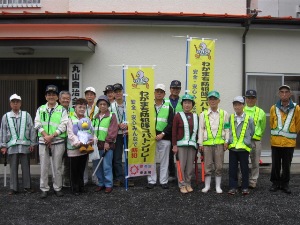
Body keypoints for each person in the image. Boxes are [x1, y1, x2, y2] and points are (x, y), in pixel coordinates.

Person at [34, 85, 68, 199]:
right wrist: (46, 136)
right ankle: (44, 188)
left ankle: (57, 187)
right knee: (44, 166)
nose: (51, 96)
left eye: (53, 94)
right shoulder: (41, 109)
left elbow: (64, 125)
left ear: (57, 97)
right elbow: (37, 124)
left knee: (57, 166)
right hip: (44, 141)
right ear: (45, 96)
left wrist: (51, 136)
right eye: (49, 94)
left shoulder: (62, 110)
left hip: (57, 141)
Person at [0, 94, 36, 195]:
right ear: (10, 104)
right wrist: (3, 146)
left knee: (26, 167)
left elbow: (32, 129)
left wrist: (32, 143)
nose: (15, 103)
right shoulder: (6, 116)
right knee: (13, 167)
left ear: (20, 103)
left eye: (17, 102)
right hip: (12, 146)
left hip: (25, 145)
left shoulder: (26, 115)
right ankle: (13, 188)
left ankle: (27, 186)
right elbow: (3, 131)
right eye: (13, 102)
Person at [269, 85, 300, 194]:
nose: (284, 94)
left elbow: (298, 124)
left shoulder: (296, 108)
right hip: (276, 142)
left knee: (287, 165)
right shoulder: (273, 108)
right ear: (279, 94)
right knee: (276, 164)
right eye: (282, 92)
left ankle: (285, 184)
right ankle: (275, 183)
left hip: (289, 143)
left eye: (286, 92)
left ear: (290, 94)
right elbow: (272, 123)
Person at [198, 91, 229, 194]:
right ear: (208, 101)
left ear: (219, 101)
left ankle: (218, 186)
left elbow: (227, 129)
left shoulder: (224, 114)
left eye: (215, 99)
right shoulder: (203, 114)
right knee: (207, 166)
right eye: (210, 99)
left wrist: (226, 141)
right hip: (207, 144)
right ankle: (207, 186)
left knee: (219, 166)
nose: (212, 101)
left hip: (220, 144)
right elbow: (201, 129)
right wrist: (201, 143)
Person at [147, 84, 174, 189]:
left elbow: (171, 123)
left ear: (164, 94)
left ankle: (163, 181)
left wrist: (162, 134)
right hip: (150, 137)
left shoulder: (169, 107)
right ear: (154, 93)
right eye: (157, 91)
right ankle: (151, 181)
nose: (159, 93)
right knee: (151, 160)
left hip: (165, 137)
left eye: (161, 92)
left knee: (164, 161)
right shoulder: (148, 105)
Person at [227, 96, 254, 196]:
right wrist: (228, 141)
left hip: (244, 148)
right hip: (233, 148)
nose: (237, 106)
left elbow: (253, 131)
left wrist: (246, 141)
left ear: (243, 105)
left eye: (239, 104)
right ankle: (233, 187)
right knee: (232, 169)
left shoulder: (249, 119)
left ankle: (245, 187)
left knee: (244, 168)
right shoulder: (231, 117)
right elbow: (228, 130)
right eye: (235, 105)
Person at [67, 98, 94, 196]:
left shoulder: (87, 119)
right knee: (74, 170)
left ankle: (81, 187)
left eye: (84, 107)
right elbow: (70, 134)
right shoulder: (71, 119)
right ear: (75, 108)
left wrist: (93, 139)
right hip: (74, 149)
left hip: (85, 148)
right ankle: (74, 188)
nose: (82, 109)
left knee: (82, 169)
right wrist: (79, 143)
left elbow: (92, 131)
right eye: (80, 107)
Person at [172, 94, 198, 194]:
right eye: (185, 103)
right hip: (180, 146)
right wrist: (174, 145)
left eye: (189, 103)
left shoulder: (196, 116)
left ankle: (188, 183)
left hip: (192, 146)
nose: (187, 105)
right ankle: (182, 184)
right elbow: (174, 131)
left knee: (189, 166)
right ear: (182, 104)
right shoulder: (178, 116)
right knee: (181, 166)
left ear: (192, 105)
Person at [93, 95, 118, 194]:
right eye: (100, 104)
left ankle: (108, 184)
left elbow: (112, 130)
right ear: (98, 105)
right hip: (96, 145)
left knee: (106, 165)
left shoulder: (112, 115)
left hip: (107, 145)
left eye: (104, 104)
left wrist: (108, 142)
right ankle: (101, 183)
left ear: (107, 105)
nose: (102, 106)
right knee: (97, 165)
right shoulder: (95, 116)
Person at [110, 83, 134, 187]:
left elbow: (135, 118)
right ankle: (119, 178)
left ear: (123, 92)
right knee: (117, 158)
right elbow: (109, 121)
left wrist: (129, 126)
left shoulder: (130, 104)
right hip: (118, 135)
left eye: (120, 91)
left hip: (129, 134)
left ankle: (130, 177)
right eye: (116, 92)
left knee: (130, 156)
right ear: (113, 94)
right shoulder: (111, 106)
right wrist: (118, 124)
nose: (118, 93)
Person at [244, 89, 266, 189]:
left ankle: (253, 181)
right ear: (245, 99)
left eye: (252, 98)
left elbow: (263, 126)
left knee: (255, 162)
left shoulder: (260, 112)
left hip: (256, 141)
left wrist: (257, 135)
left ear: (256, 99)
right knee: (242, 162)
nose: (250, 100)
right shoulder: (241, 110)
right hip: (243, 141)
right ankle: (242, 180)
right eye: (248, 97)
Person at [165, 80, 183, 182]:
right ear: (170, 89)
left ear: (180, 90)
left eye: (177, 88)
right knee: (169, 155)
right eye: (173, 88)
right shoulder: (165, 101)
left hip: (180, 132)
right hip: (168, 131)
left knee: (180, 154)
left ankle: (181, 174)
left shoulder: (183, 101)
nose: (175, 90)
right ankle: (171, 174)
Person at [83, 86, 99, 185]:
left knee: (95, 158)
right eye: (87, 94)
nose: (89, 96)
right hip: (84, 137)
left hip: (95, 137)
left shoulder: (98, 108)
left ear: (94, 96)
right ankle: (84, 180)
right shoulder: (81, 107)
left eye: (91, 94)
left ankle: (95, 179)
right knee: (84, 159)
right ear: (85, 96)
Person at [59, 90, 73, 188]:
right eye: (63, 98)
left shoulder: (73, 110)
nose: (65, 100)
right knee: (58, 161)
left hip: (70, 139)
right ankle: (58, 182)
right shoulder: (56, 110)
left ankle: (67, 181)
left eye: (67, 98)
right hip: (59, 138)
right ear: (59, 100)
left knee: (69, 161)